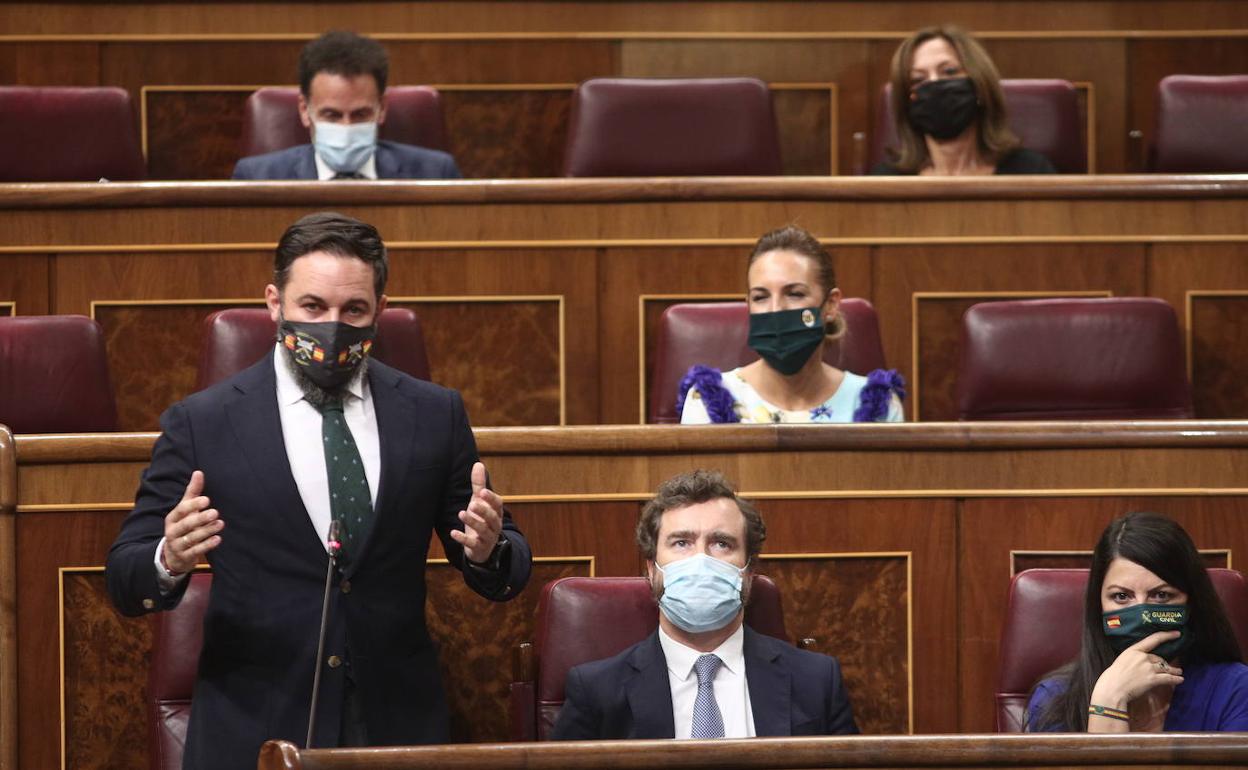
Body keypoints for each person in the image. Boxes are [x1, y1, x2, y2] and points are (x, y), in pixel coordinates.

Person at [106, 212, 530, 770]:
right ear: (274, 303)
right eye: (312, 307)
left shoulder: (433, 414)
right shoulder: (203, 423)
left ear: (379, 309)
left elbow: (507, 561)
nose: (332, 325)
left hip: (394, 724)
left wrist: (488, 548)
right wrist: (170, 556)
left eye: (353, 310)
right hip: (254, 726)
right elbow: (125, 575)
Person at [551, 469, 858, 739]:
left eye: (721, 543)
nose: (701, 560)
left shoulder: (817, 680)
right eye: (681, 542)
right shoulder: (597, 691)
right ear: (651, 568)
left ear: (749, 571)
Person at [1026, 512, 1248, 732]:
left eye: (1161, 595)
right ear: (1098, 605)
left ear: (1192, 601)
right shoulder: (1053, 700)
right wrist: (1109, 701)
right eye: (1122, 596)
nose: (1142, 614)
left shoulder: (1236, 690)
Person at [678, 225, 904, 423]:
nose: (776, 309)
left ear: (830, 305)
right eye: (760, 297)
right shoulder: (708, 402)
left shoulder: (878, 406)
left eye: (795, 294)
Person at [232, 31, 461, 180]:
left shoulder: (436, 173)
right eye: (331, 115)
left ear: (382, 108)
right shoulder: (256, 176)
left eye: (361, 114)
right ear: (304, 110)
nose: (346, 127)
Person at [869, 25, 1056, 176]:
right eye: (918, 80)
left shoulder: (1030, 172)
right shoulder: (887, 180)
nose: (934, 85)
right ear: (906, 101)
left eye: (949, 72)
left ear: (979, 85)